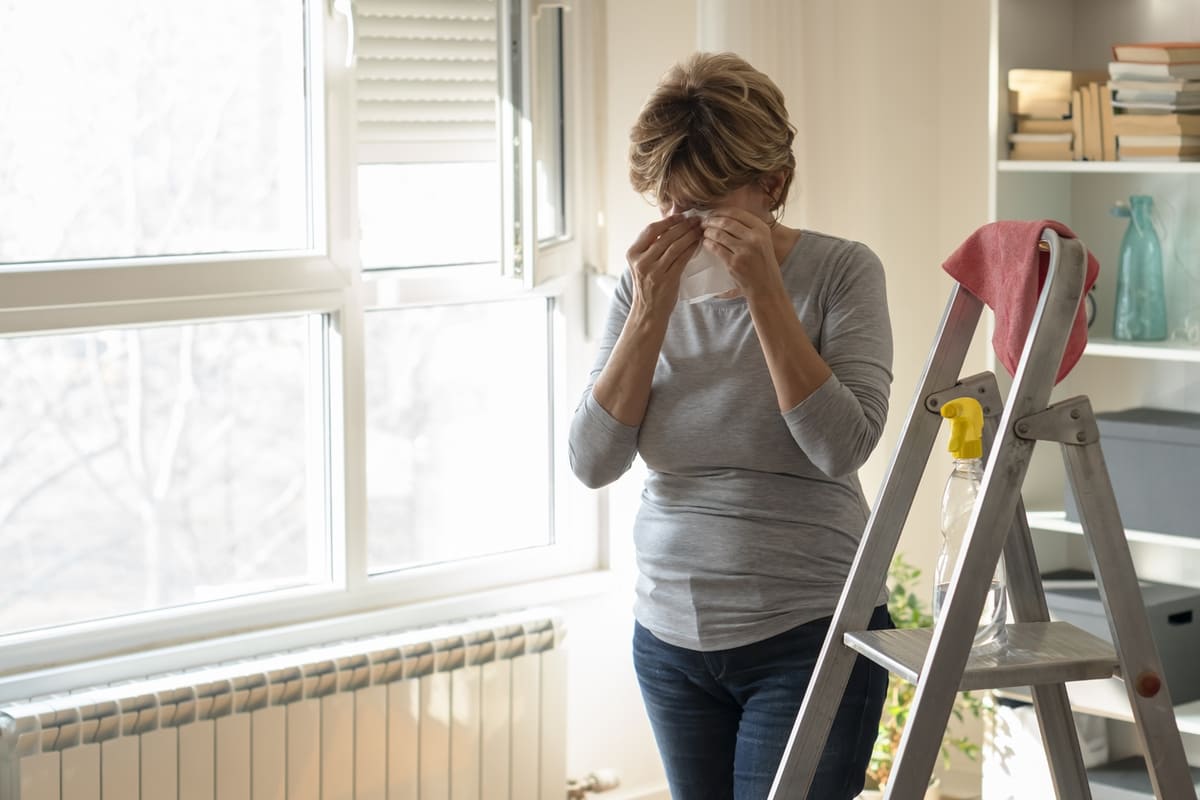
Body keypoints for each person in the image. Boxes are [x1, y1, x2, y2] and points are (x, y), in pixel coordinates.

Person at [567, 52, 895, 799]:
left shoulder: (843, 272)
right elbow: (591, 461)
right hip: (668, 638)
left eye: (709, 206)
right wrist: (649, 312)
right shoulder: (641, 286)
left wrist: (765, 295)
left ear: (771, 187)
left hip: (810, 631)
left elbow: (841, 445)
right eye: (672, 206)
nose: (687, 227)